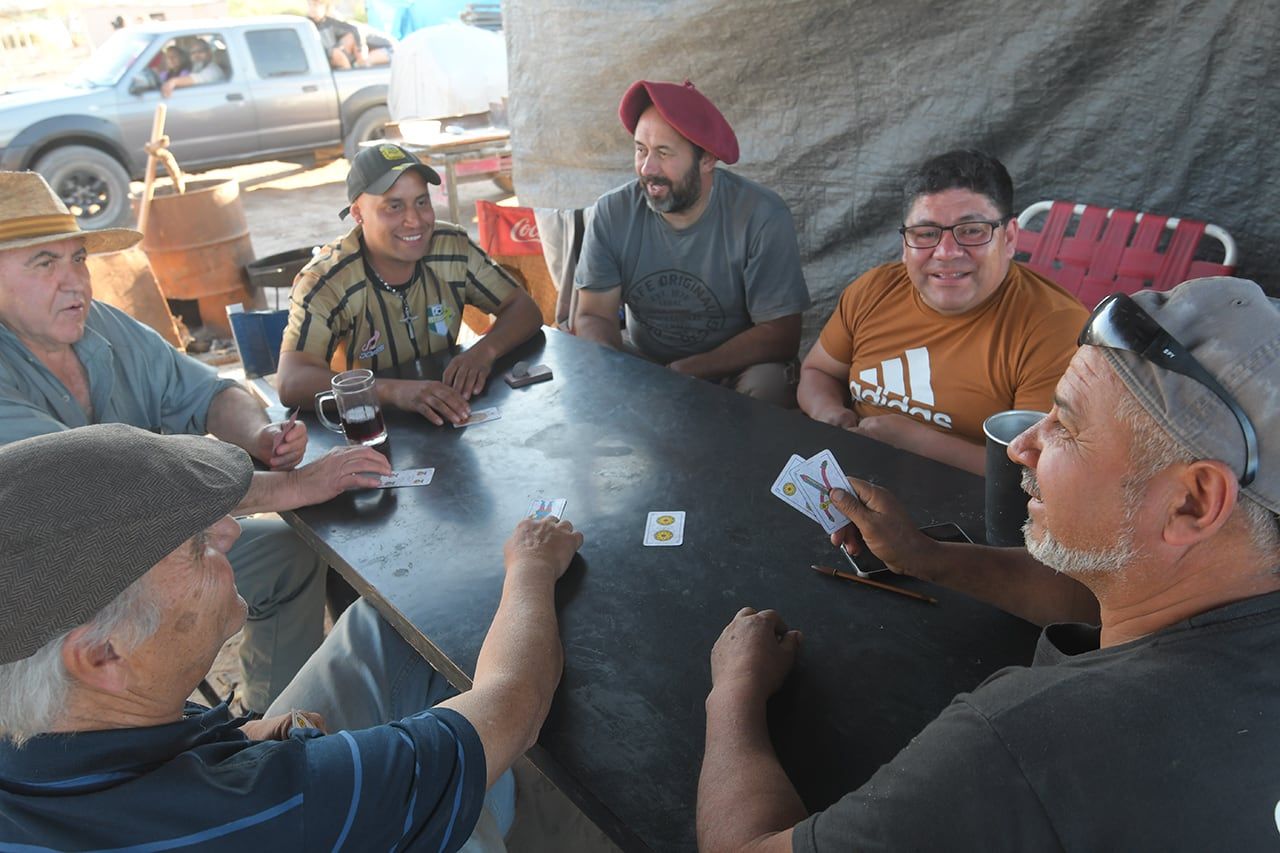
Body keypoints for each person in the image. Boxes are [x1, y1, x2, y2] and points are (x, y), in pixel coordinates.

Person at [698, 276, 1280, 851]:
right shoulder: (1236, 579)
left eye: (1068, 425)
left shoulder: (1026, 749)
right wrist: (926, 557)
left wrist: (733, 694)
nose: (1024, 445)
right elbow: (1105, 595)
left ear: (1193, 501)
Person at [0, 423, 584, 850]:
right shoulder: (264, 810)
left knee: (383, 627)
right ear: (104, 655)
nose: (229, 533)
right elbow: (516, 705)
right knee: (479, 770)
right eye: (195, 544)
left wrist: (251, 734)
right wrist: (531, 564)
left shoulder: (40, 730)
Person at [0, 170, 390, 714]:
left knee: (285, 555)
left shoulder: (101, 326)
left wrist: (259, 433)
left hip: (146, 553)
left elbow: (207, 391)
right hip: (44, 616)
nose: (76, 283)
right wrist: (292, 486)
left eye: (79, 259)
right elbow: (109, 492)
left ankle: (270, 727)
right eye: (45, 262)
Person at [797, 150, 1089, 474]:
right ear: (904, 245)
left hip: (970, 509)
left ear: (1009, 238)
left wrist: (914, 442)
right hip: (854, 474)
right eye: (925, 233)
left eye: (972, 230)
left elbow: (1037, 472)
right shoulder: (873, 290)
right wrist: (829, 414)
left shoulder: (1055, 328)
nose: (946, 252)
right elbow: (818, 372)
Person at [572, 80, 811, 407]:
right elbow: (592, 317)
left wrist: (690, 370)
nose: (647, 168)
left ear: (707, 159)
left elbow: (781, 334)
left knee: (768, 384)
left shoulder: (761, 216)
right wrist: (618, 372)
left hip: (735, 369)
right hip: (646, 361)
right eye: (640, 149)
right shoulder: (611, 213)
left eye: (664, 153)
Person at [277, 142, 543, 426]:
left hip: (444, 417)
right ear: (357, 214)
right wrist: (393, 391)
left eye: (421, 202)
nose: (415, 221)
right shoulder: (327, 280)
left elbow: (524, 310)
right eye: (394, 206)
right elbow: (292, 382)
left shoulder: (451, 247)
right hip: (367, 432)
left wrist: (483, 352)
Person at [307, 0, 390, 69]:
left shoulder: (332, 23)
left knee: (337, 52)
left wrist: (360, 52)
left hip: (387, 49)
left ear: (326, 8)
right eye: (310, 5)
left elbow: (355, 30)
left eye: (316, 5)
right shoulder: (308, 23)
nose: (312, 9)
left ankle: (351, 73)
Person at [160, 38, 226, 97]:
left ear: (209, 53)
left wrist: (172, 82)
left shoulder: (213, 70)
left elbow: (194, 79)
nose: (196, 55)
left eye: (200, 51)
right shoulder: (197, 68)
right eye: (193, 53)